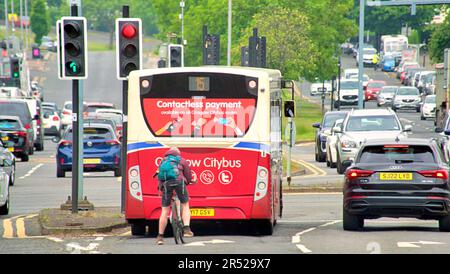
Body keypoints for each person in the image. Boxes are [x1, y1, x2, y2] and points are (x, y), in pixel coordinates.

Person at [156, 147, 196, 245]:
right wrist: (191, 181)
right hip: (179, 183)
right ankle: (186, 229)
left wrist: (161, 188)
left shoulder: (163, 162)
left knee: (165, 210)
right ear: (178, 154)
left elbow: (159, 177)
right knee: (185, 204)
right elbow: (188, 176)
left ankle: (160, 237)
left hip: (166, 184)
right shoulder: (181, 160)